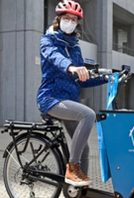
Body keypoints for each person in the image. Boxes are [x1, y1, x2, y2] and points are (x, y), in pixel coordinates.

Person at [37, 0, 107, 187]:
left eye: (74, 19)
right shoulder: (47, 41)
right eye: (66, 18)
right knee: (88, 114)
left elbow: (82, 78)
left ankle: (77, 190)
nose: (70, 21)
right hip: (51, 99)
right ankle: (72, 168)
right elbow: (55, 58)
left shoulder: (75, 46)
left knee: (84, 148)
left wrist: (108, 78)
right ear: (58, 20)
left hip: (69, 101)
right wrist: (71, 67)